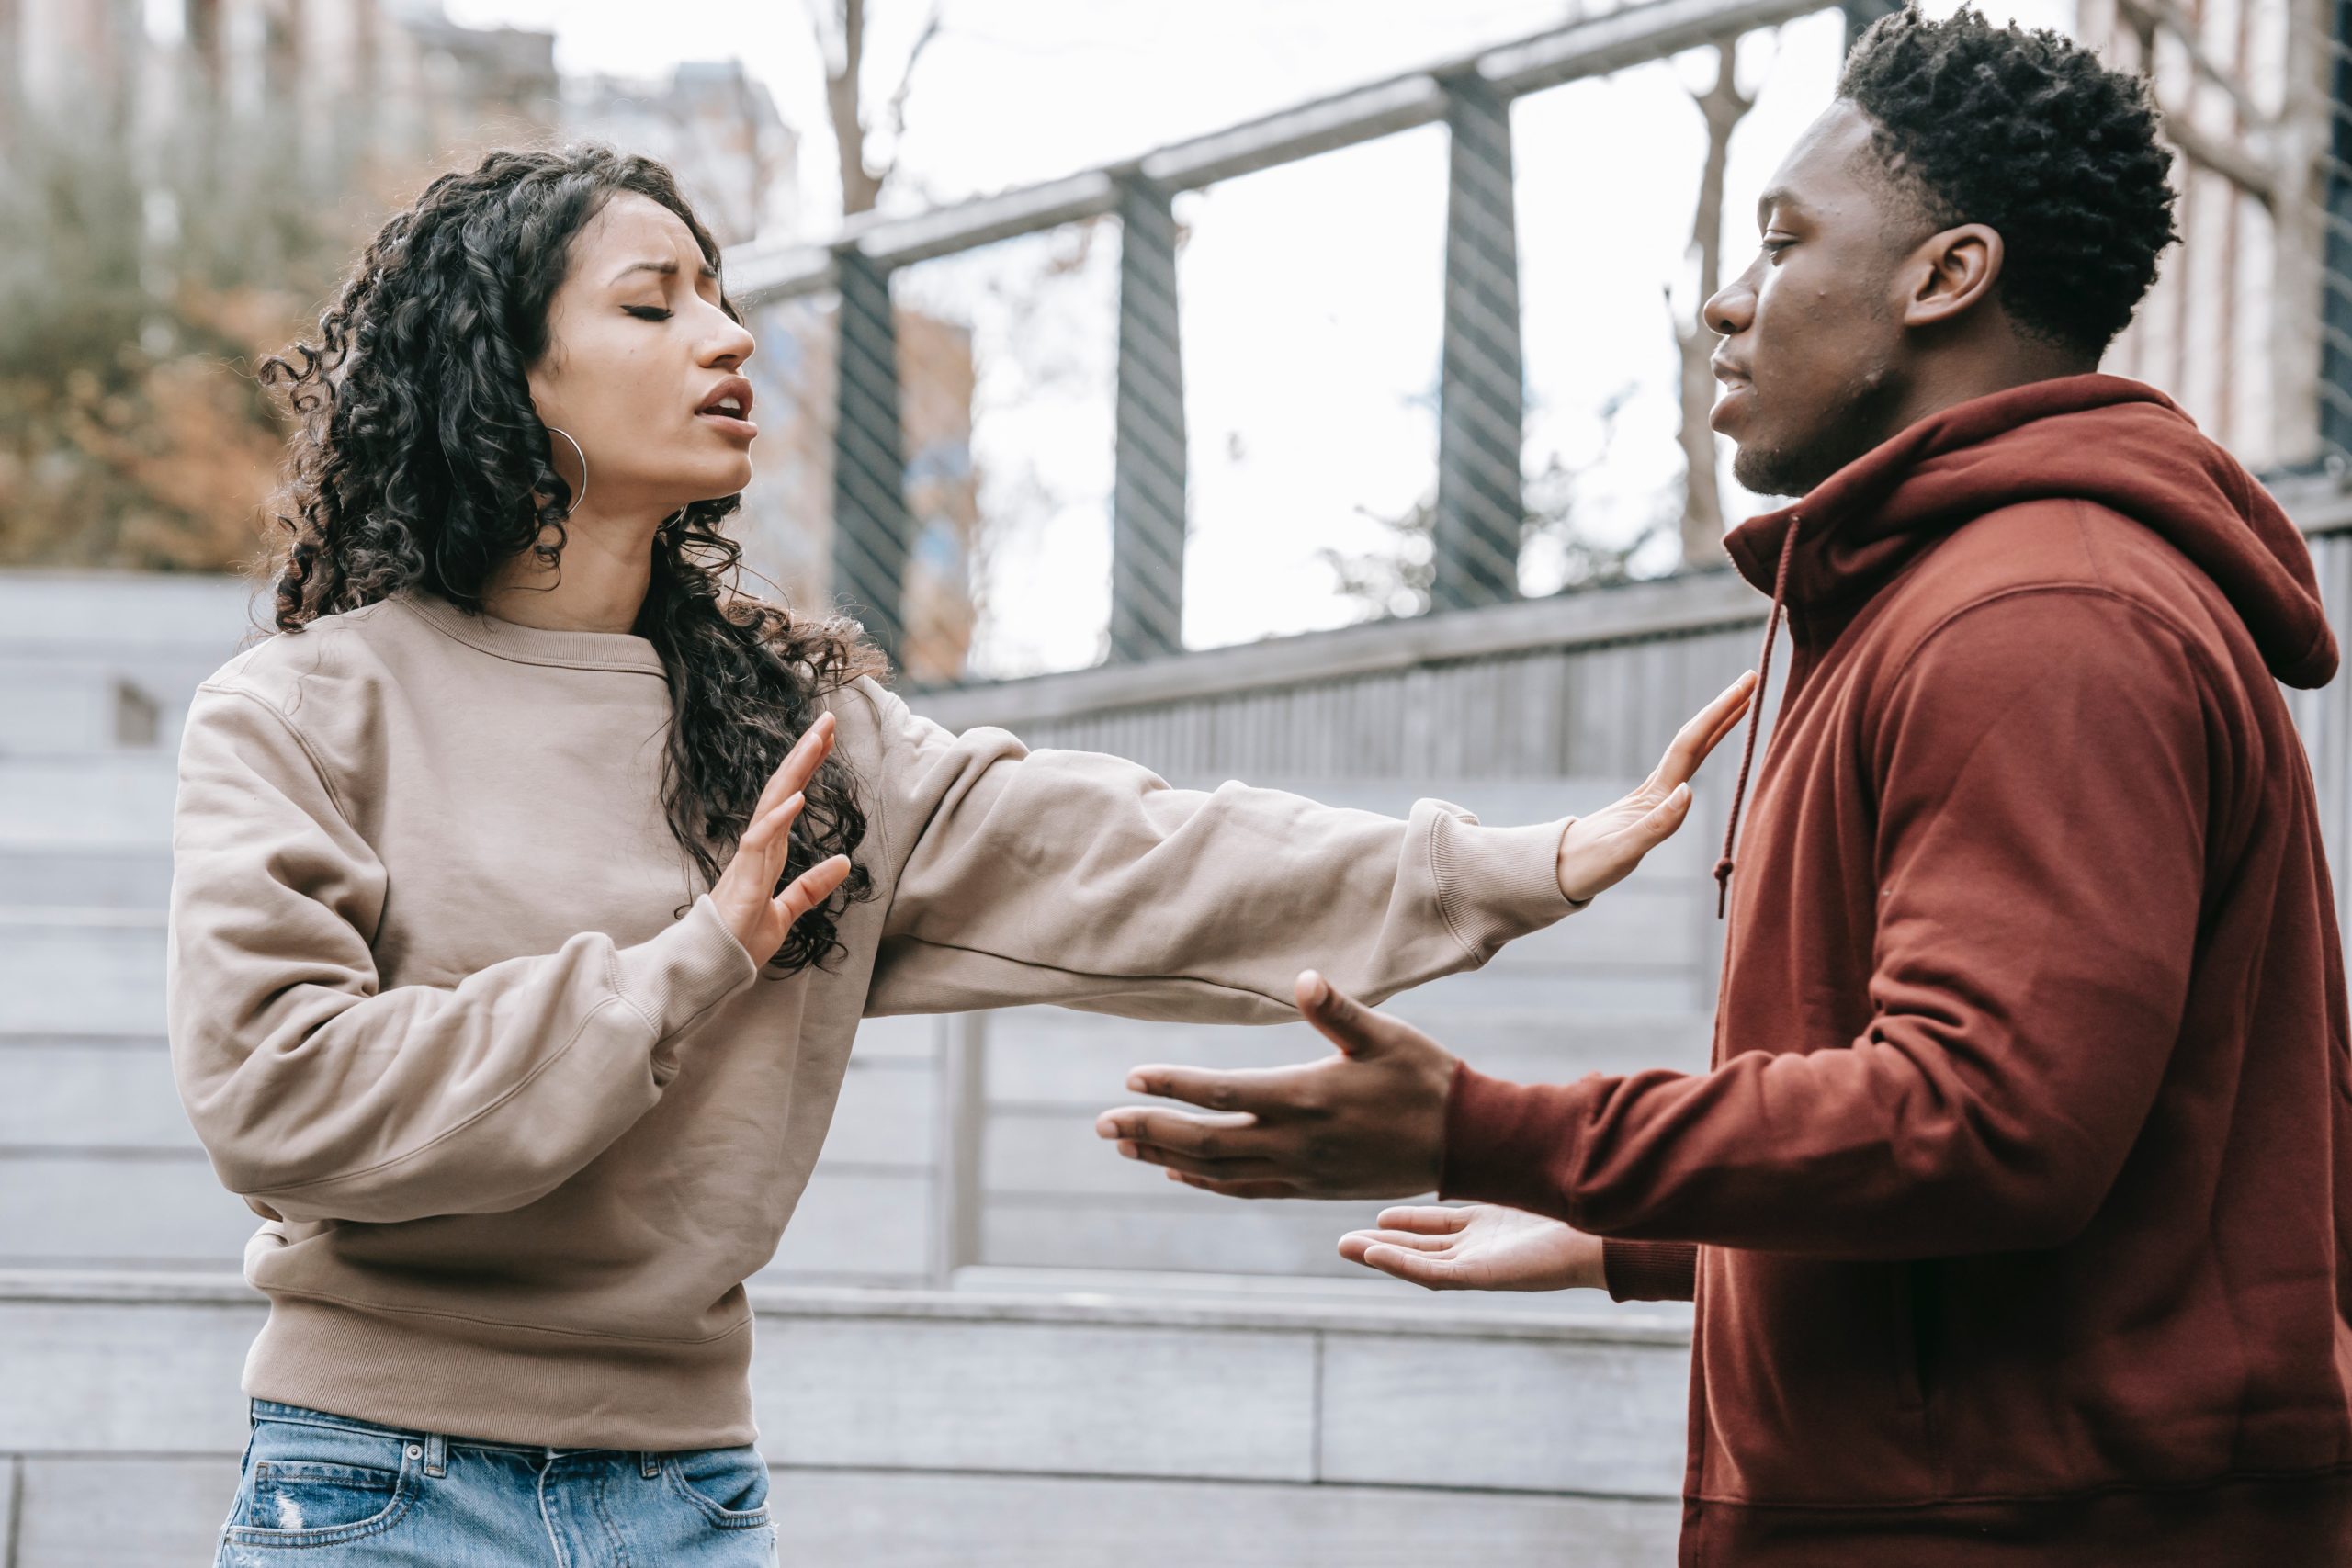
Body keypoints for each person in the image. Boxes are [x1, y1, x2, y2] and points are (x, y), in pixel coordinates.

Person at [164, 143, 1752, 1566]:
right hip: (377, 1495)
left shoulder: (801, 733)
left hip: (687, 1498)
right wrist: (690, 962)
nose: (728, 340)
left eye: (723, 298)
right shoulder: (307, 712)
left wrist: (1510, 864)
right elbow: (280, 1095)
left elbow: (1127, 858)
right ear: (504, 375)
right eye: (655, 308)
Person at [1096, 8, 2352, 1563]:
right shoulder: (1959, 595)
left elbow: (1989, 1128)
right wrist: (1628, 1238)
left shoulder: (2041, 624)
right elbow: (2037, 1173)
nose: (1725, 300)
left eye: (1779, 242)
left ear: (1945, 275)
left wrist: (1479, 1126)